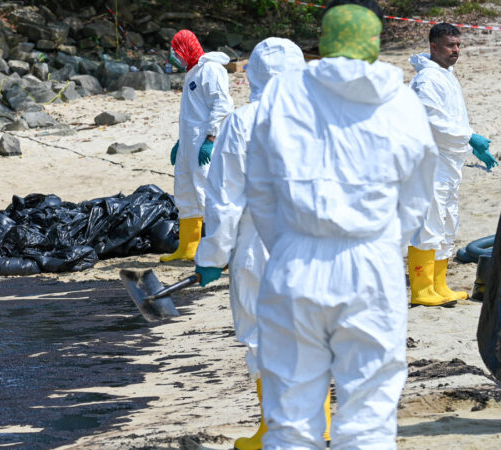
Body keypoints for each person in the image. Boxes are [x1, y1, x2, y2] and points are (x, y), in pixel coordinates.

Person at [246, 1, 438, 447]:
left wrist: (291, 244)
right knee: (369, 414)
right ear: (376, 39)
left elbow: (260, 189)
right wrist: (386, 243)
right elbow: (417, 195)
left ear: (324, 38)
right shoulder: (402, 102)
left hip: (294, 257)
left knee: (290, 416)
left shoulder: (282, 93)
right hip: (371, 259)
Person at [194, 38, 331, 450]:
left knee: (261, 337)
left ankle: (275, 429)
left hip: (259, 246)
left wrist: (212, 255)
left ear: (251, 74)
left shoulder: (242, 122)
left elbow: (225, 199)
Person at [407, 23, 498, 307]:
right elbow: (432, 120)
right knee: (429, 223)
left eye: (458, 45)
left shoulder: (447, 75)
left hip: (448, 162)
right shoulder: (427, 80)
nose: (456, 51)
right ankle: (422, 289)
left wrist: (470, 144)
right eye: (450, 45)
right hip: (430, 163)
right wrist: (469, 136)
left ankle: (439, 285)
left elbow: (453, 118)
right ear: (434, 46)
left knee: (447, 222)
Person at [161, 29, 234, 262]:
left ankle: (218, 250)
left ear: (187, 48)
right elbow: (193, 113)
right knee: (186, 192)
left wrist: (210, 139)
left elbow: (221, 105)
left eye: (176, 50)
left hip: (203, 142)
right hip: (189, 143)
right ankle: (187, 247)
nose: (174, 56)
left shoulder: (211, 69)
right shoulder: (193, 72)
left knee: (206, 193)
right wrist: (181, 143)